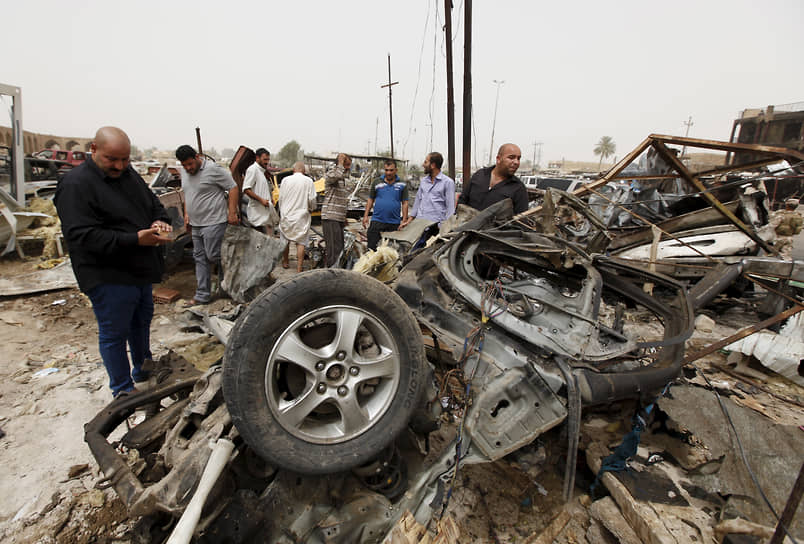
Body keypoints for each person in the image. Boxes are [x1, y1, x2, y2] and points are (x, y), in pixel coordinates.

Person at [55, 126, 173, 397]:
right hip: (106, 273)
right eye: (112, 159)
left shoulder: (128, 175)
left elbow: (154, 206)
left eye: (125, 159)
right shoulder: (76, 184)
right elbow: (81, 236)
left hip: (138, 268)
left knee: (141, 321)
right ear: (93, 150)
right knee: (115, 332)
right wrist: (134, 239)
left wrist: (159, 221)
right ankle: (122, 389)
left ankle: (143, 368)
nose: (119, 166)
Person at [175, 144, 239, 305]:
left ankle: (230, 284)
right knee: (200, 259)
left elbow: (233, 187)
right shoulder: (183, 171)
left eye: (190, 164)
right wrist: (187, 214)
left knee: (214, 255)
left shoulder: (213, 170)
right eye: (184, 165)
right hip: (196, 224)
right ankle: (202, 295)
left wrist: (232, 213)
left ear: (197, 157)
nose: (188, 168)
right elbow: (187, 194)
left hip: (214, 221)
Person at [458, 143, 528, 214]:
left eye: (518, 158)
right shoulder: (480, 175)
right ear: (498, 159)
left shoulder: (518, 188)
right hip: (467, 224)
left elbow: (521, 221)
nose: (516, 162)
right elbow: (462, 200)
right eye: (511, 157)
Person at [362, 160, 409, 250]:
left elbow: (405, 203)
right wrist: (365, 216)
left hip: (394, 223)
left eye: (391, 170)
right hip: (377, 221)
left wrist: (404, 220)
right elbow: (370, 200)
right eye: (386, 170)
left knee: (390, 252)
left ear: (396, 170)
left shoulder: (402, 184)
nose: (388, 173)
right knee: (372, 249)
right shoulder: (377, 182)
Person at [279, 161, 317, 272]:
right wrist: (311, 208)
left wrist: (282, 212)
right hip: (301, 216)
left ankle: (285, 262)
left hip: (286, 215)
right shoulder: (308, 181)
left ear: (294, 170)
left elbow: (281, 198)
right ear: (304, 171)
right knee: (301, 242)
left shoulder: (285, 180)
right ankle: (299, 268)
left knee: (285, 239)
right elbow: (312, 199)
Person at [400, 151, 455, 229]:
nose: (423, 165)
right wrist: (409, 221)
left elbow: (450, 209)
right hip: (419, 225)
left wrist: (446, 228)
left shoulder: (448, 182)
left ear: (433, 165)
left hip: (435, 227)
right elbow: (417, 202)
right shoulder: (424, 181)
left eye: (425, 162)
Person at [321, 153, 351, 267]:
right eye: (346, 165)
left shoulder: (342, 179)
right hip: (330, 217)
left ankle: (335, 272)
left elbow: (342, 200)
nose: (347, 168)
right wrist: (340, 163)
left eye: (349, 165)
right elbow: (335, 176)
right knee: (333, 251)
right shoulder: (332, 175)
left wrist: (344, 217)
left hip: (338, 219)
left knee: (339, 249)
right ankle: (331, 275)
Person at [242, 148, 276, 235]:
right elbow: (246, 189)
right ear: (257, 158)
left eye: (268, 159)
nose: (267, 162)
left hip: (265, 213)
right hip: (257, 213)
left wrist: (270, 198)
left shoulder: (262, 171)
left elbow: (263, 189)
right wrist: (261, 200)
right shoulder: (252, 169)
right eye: (265, 159)